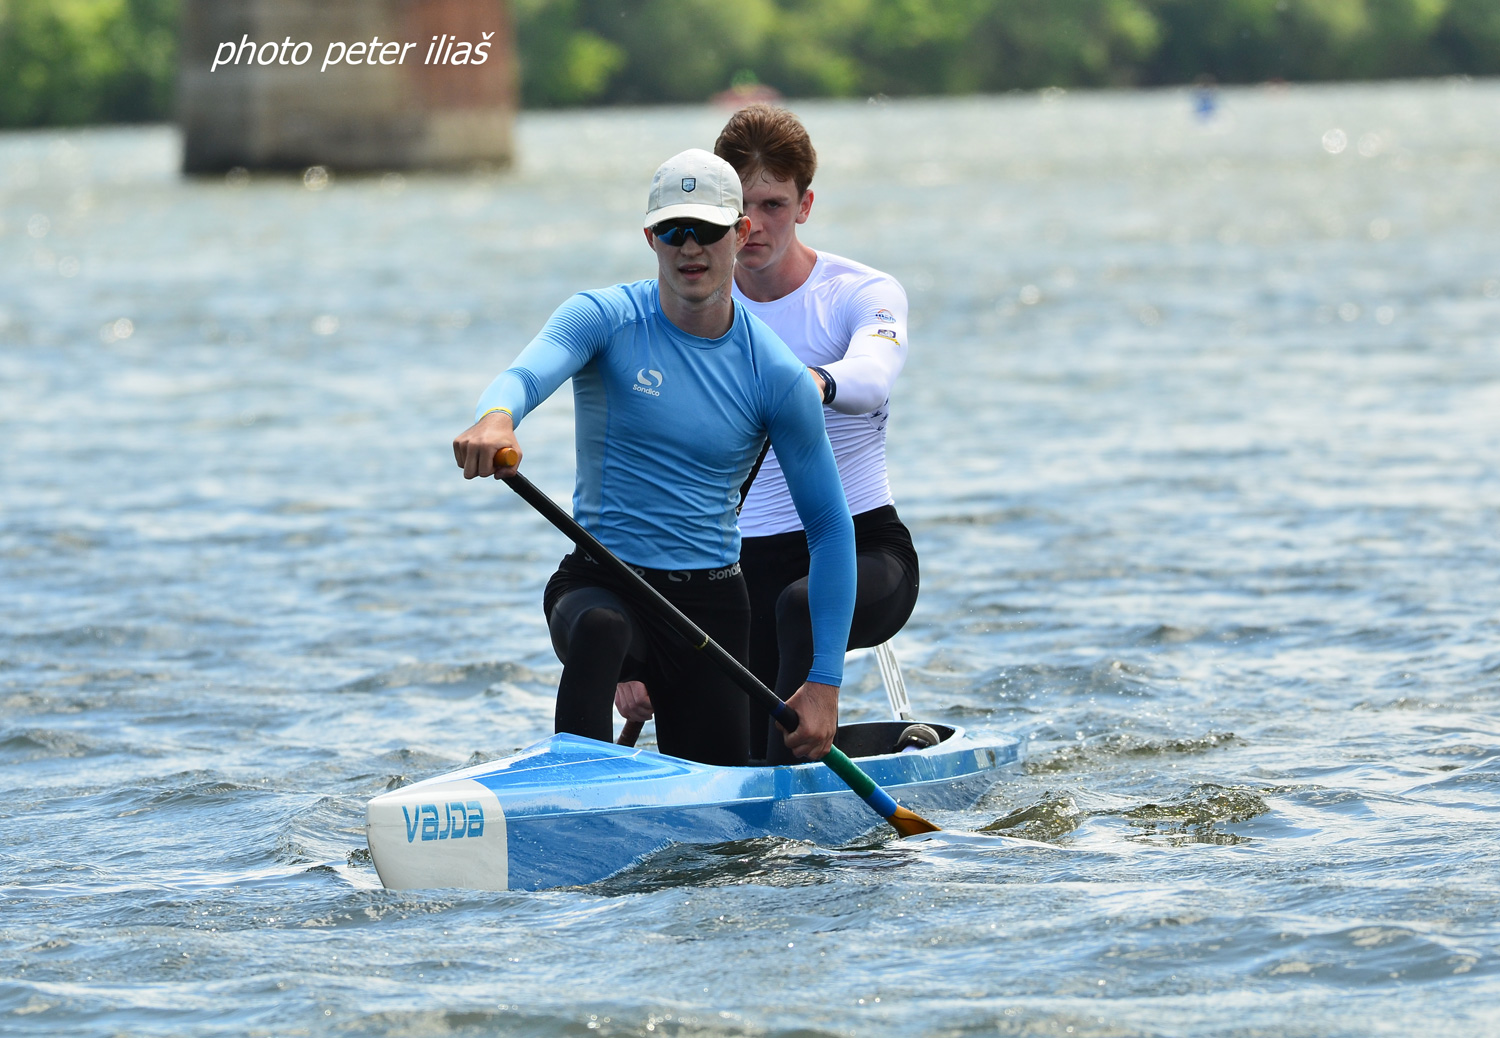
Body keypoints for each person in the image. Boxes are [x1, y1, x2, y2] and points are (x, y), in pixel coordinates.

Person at [452, 149, 856, 766]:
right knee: (601, 629)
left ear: (740, 233)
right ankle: (574, 785)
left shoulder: (776, 376)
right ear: (650, 237)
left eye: (709, 230)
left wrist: (824, 684)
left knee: (726, 841)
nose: (690, 247)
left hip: (712, 608)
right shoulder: (604, 318)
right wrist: (497, 416)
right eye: (673, 230)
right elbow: (526, 375)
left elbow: (830, 531)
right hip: (603, 579)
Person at [720, 104, 920, 763]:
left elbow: (872, 375)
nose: (755, 225)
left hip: (865, 553)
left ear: (805, 205)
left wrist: (812, 383)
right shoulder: (694, 305)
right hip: (740, 566)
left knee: (797, 607)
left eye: (773, 204)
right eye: (741, 205)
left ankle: (794, 760)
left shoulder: (860, 292)